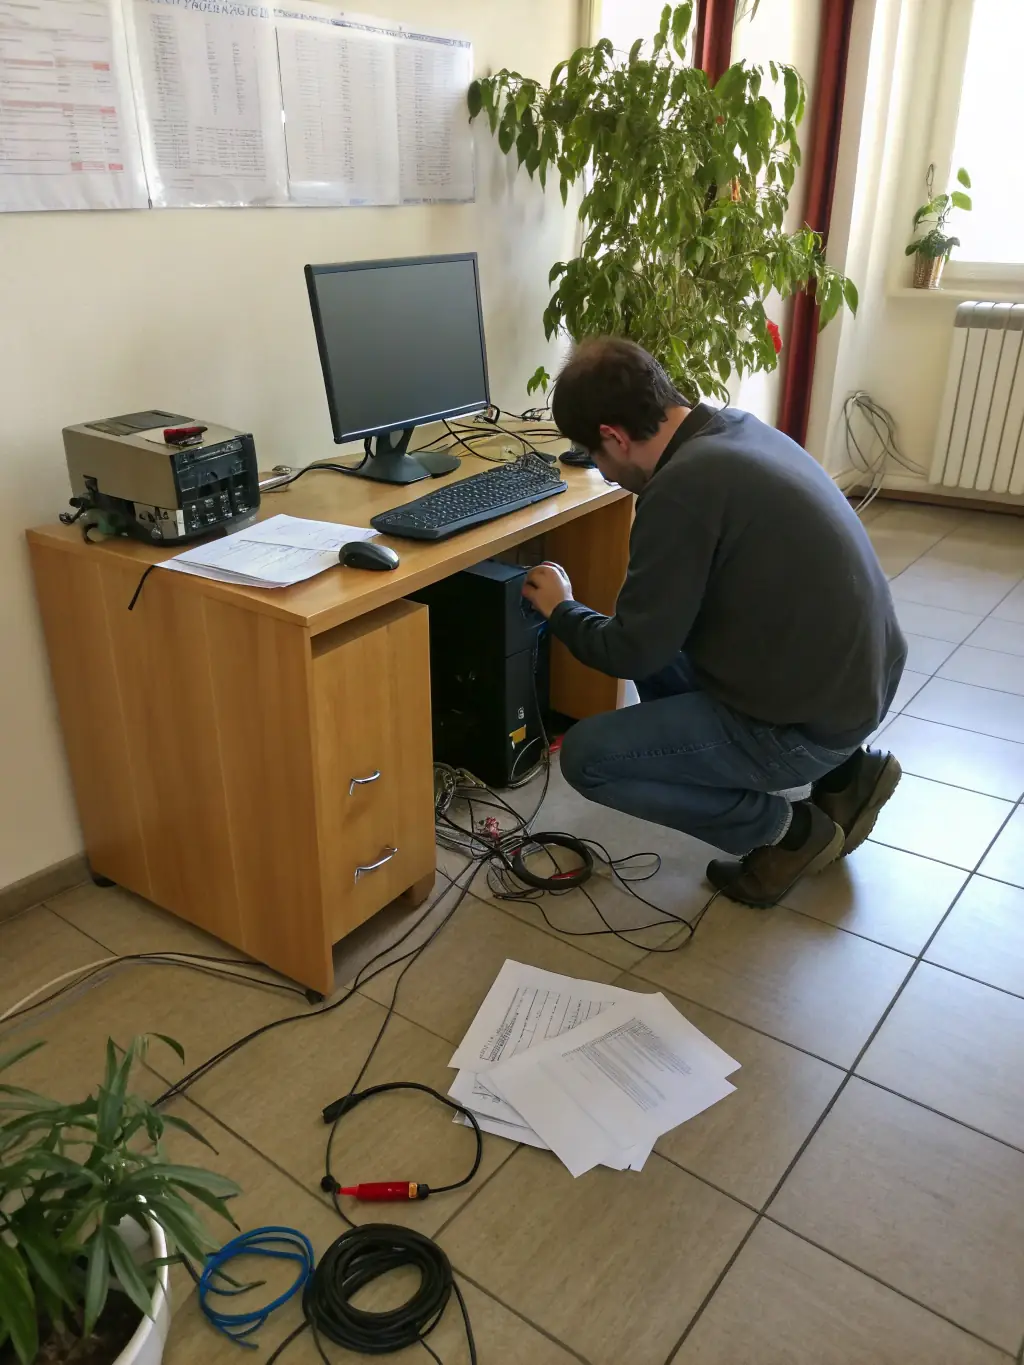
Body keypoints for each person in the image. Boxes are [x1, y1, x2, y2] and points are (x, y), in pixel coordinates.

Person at [522, 338, 906, 907]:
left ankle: (787, 834)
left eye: (595, 456)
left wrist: (562, 608)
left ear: (615, 437)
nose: (600, 470)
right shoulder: (734, 428)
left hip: (809, 724)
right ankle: (849, 777)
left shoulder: (681, 490)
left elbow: (630, 653)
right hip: (857, 684)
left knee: (589, 756)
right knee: (659, 640)